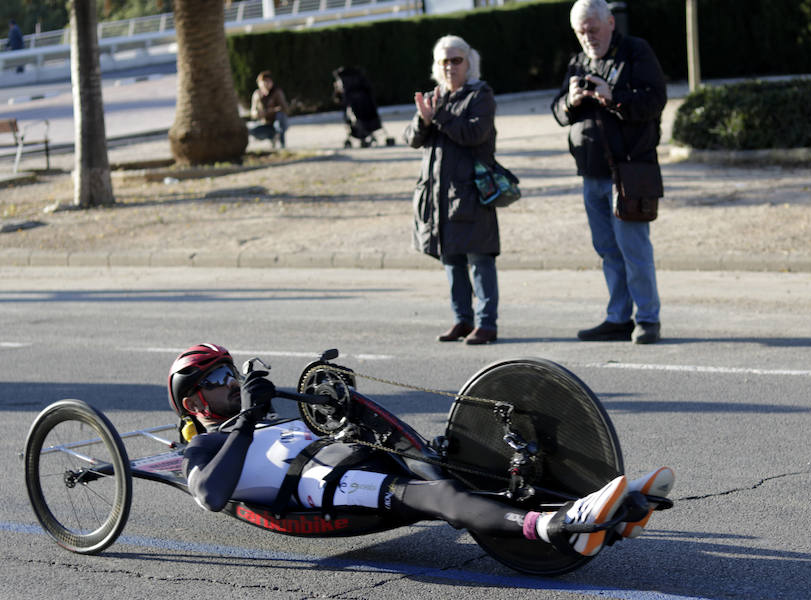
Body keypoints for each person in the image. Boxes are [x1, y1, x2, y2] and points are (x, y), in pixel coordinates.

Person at [168, 343, 675, 559]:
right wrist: (249, 419)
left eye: (231, 372)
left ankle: (603, 506)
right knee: (434, 496)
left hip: (353, 453)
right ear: (194, 400)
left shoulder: (266, 416)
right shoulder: (207, 446)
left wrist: (333, 402)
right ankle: (552, 526)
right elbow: (210, 495)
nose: (231, 382)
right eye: (217, 378)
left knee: (460, 462)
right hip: (329, 487)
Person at [551, 0, 667, 344]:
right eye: (581, 31)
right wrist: (570, 102)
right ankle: (619, 318)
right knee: (607, 249)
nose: (588, 37)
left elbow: (655, 100)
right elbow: (556, 111)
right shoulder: (577, 62)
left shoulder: (635, 51)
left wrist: (613, 96)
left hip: (629, 170)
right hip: (591, 172)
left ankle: (647, 319)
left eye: (593, 28)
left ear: (611, 23)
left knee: (634, 250)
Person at [403, 35, 501, 345]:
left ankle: (486, 324)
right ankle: (462, 319)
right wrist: (423, 119)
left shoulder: (480, 95)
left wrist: (439, 117)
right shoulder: (436, 97)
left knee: (480, 261)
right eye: (444, 61)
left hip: (470, 194)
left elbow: (475, 133)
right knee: (451, 261)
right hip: (437, 197)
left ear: (469, 63)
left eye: (456, 60)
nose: (449, 67)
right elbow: (411, 138)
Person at [249, 70, 290, 148]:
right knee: (251, 131)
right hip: (266, 124)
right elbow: (252, 113)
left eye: (268, 81)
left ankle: (282, 144)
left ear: (272, 82)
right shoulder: (257, 94)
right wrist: (258, 113)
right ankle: (272, 138)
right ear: (259, 83)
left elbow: (286, 109)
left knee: (279, 117)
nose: (265, 84)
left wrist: (273, 111)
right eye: (263, 81)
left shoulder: (277, 92)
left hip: (278, 123)